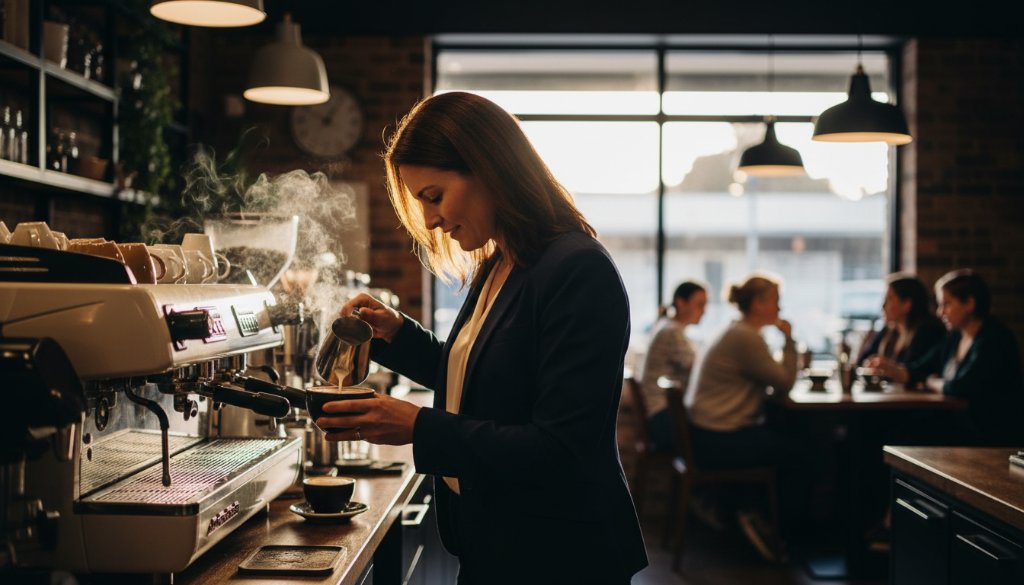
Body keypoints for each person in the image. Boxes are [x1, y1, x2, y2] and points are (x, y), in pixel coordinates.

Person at [316, 92, 647, 584]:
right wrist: (399, 335)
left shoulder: (578, 269)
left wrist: (419, 427)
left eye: (433, 196)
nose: (429, 220)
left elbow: (560, 448)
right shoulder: (502, 261)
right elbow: (488, 381)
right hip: (498, 541)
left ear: (489, 169)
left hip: (559, 555)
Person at [685, 274, 800, 562]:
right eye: (776, 301)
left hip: (706, 433)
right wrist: (788, 339)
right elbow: (784, 382)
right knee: (800, 455)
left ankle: (748, 511)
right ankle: (776, 530)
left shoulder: (740, 332)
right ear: (759, 304)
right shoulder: (746, 336)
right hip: (717, 439)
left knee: (784, 442)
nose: (780, 308)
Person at [867, 269, 1024, 445]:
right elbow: (920, 369)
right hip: (960, 427)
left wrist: (933, 382)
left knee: (901, 435)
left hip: (990, 434)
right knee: (888, 431)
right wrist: (891, 369)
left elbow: (962, 387)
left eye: (946, 304)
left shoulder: (994, 338)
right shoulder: (955, 336)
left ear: (969, 304)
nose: (941, 312)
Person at [639, 280, 707, 451]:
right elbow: (698, 372)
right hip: (661, 417)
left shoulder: (668, 327)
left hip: (656, 413)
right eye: (699, 304)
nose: (704, 311)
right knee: (712, 435)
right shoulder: (672, 332)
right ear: (680, 303)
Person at [856, 273, 946, 367]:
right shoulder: (889, 330)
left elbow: (915, 371)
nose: (883, 306)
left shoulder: (928, 332)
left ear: (906, 304)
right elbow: (862, 362)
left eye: (889, 299)